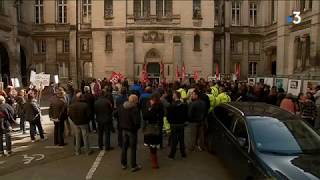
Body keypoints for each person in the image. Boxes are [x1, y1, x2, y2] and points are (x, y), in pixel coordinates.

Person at [118, 94, 141, 172]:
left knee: (124, 147)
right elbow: (137, 122)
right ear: (135, 101)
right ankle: (133, 165)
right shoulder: (134, 109)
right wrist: (137, 128)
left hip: (124, 129)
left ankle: (123, 163)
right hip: (132, 131)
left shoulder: (122, 107)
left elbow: (116, 114)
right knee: (133, 148)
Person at [143, 93, 164, 169]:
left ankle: (154, 163)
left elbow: (145, 116)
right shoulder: (161, 107)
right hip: (158, 127)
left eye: (151, 100)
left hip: (152, 128)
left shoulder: (153, 108)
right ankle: (153, 160)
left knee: (152, 147)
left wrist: (150, 109)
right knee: (154, 146)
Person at [167, 91, 187, 159]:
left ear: (175, 96)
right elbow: (185, 115)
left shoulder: (171, 106)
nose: (172, 96)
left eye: (173, 95)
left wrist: (170, 122)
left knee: (174, 140)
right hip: (181, 124)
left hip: (173, 124)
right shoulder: (184, 105)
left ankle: (172, 154)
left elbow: (168, 116)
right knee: (181, 139)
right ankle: (183, 153)